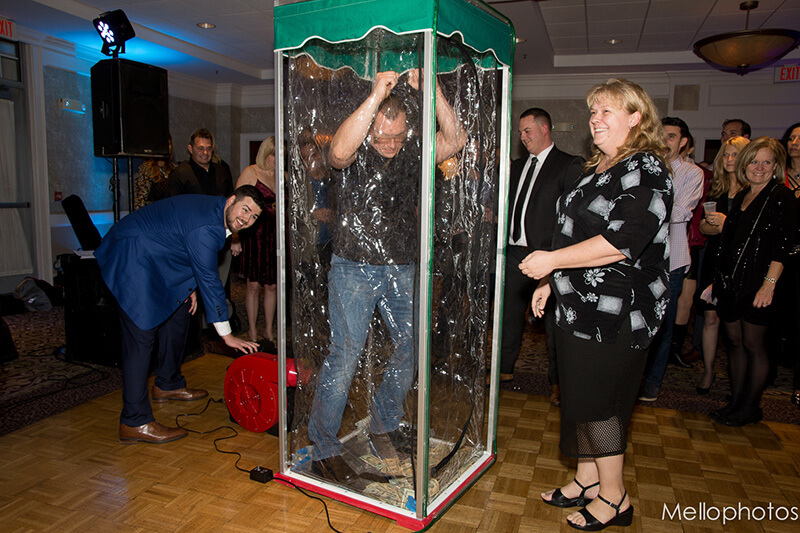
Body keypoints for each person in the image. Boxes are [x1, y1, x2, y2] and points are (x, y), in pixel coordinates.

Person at [522, 78, 672, 531]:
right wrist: (552, 278)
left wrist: (550, 260)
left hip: (618, 313)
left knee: (604, 405)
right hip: (578, 308)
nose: (596, 119)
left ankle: (615, 496)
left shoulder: (646, 167)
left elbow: (622, 242)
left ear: (636, 118)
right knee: (582, 398)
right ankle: (587, 479)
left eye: (608, 111)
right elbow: (574, 232)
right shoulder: (598, 166)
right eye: (593, 112)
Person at [306, 69, 465, 484]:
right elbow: (338, 152)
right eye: (383, 138)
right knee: (345, 357)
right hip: (353, 267)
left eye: (397, 137)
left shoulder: (411, 152)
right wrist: (376, 94)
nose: (390, 145)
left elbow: (455, 139)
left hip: (401, 265)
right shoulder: (356, 149)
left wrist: (434, 91)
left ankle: (383, 422)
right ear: (372, 127)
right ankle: (323, 447)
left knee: (412, 346)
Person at [95, 187, 264, 444]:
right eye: (245, 209)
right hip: (132, 255)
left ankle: (168, 383)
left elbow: (185, 244)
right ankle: (134, 420)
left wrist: (187, 285)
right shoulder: (208, 227)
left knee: (182, 309)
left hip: (157, 253)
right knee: (141, 335)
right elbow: (210, 278)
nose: (247, 219)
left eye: (254, 216)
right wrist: (227, 335)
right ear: (231, 200)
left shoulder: (218, 214)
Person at [708, 137, 797, 426]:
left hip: (759, 283)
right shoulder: (743, 195)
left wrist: (769, 284)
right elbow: (728, 243)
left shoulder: (780, 196)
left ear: (776, 166)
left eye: (767, 162)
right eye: (754, 161)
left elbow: (783, 246)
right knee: (733, 342)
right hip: (733, 282)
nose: (759, 167)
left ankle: (750, 406)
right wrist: (716, 281)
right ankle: (735, 401)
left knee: (753, 343)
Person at [499, 108, 583, 406]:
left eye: (527, 131)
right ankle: (503, 371)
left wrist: (556, 256)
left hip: (549, 256)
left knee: (552, 325)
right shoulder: (516, 167)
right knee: (508, 317)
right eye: (520, 133)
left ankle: (557, 383)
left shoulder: (569, 165)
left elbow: (574, 217)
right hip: (513, 254)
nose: (522, 137)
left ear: (545, 129)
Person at [639, 117, 704, 402]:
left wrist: (643, 209)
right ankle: (634, 377)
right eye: (661, 135)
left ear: (683, 142)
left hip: (672, 258)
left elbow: (678, 213)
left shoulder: (692, 173)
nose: (666, 142)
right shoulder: (645, 168)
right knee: (639, 319)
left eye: (672, 137)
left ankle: (652, 382)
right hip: (642, 257)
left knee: (663, 324)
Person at [696, 136, 750, 394]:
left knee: (735, 323)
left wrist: (726, 223)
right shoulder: (716, 189)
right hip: (714, 256)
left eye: (734, 155)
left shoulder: (752, 191)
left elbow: (752, 232)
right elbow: (704, 227)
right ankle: (708, 371)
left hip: (740, 261)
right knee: (709, 316)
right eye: (726, 155)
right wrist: (710, 225)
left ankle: (739, 377)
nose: (729, 160)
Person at [232, 137, 278, 344]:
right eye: (274, 155)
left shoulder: (283, 176)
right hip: (255, 236)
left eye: (281, 156)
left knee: (273, 286)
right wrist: (235, 237)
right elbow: (235, 206)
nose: (278, 159)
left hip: (276, 237)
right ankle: (252, 331)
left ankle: (268, 331)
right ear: (265, 153)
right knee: (253, 286)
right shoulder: (251, 172)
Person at [167, 129, 234, 197]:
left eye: (208, 149)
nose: (205, 153)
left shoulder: (221, 171)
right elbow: (174, 203)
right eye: (200, 148)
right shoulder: (180, 174)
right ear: (190, 149)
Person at [133, 135, 175, 210]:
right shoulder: (146, 169)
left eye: (168, 144)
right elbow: (139, 201)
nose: (165, 147)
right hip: (153, 215)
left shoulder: (174, 168)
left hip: (170, 214)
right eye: (162, 144)